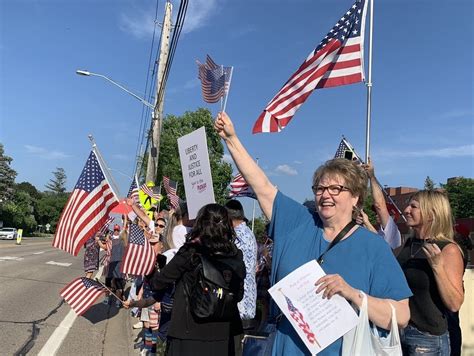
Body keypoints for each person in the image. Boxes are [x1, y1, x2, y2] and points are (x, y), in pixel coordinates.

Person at [214, 111, 411, 356]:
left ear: (356, 197)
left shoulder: (374, 247)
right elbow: (262, 186)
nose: (325, 194)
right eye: (320, 188)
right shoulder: (298, 222)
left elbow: (401, 316)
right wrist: (231, 138)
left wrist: (353, 294)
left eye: (336, 188)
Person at [125, 203, 245, 356]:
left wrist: (151, 266)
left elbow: (158, 283)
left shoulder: (191, 252)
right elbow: (238, 295)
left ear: (200, 223)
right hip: (227, 333)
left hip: (189, 332)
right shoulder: (236, 255)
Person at [396, 190, 464, 355]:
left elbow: (454, 303)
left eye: (414, 207)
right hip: (401, 334)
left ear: (431, 214)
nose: (406, 210)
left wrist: (437, 266)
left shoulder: (448, 249)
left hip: (428, 339)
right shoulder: (409, 245)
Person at [225, 199, 258, 353]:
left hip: (239, 299)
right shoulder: (247, 233)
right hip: (244, 298)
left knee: (234, 345)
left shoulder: (238, 237)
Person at [361, 159, 402, 249]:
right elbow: (377, 239)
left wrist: (372, 177)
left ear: (393, 216)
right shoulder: (381, 231)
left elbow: (379, 205)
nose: (377, 214)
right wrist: (365, 222)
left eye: (379, 213)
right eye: (376, 212)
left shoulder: (392, 231)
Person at [103, 223, 128, 307]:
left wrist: (102, 240)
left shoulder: (112, 241)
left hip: (112, 265)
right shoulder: (125, 244)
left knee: (110, 284)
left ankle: (109, 300)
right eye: (115, 230)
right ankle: (116, 302)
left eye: (117, 230)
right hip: (119, 266)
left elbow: (106, 248)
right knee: (118, 285)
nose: (116, 231)